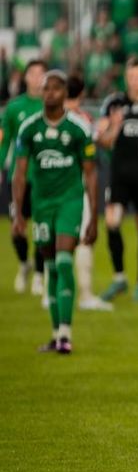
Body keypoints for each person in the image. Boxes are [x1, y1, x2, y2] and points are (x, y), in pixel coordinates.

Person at [11, 69, 98, 353]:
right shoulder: (30, 129)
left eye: (57, 88)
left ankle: (65, 334)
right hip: (42, 204)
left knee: (63, 261)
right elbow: (20, 174)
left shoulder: (77, 128)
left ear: (65, 93)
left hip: (69, 202)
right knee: (49, 266)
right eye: (46, 88)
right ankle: (55, 332)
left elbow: (91, 173)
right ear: (41, 92)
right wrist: (18, 214)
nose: (50, 93)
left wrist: (93, 215)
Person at [96, 58, 138, 303]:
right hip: (120, 175)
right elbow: (102, 140)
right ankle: (119, 278)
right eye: (131, 77)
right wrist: (114, 127)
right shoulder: (115, 103)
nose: (135, 81)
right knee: (112, 222)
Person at [65, 74, 113, 311]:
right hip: (78, 185)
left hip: (51, 187)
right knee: (84, 237)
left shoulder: (48, 117)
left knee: (54, 239)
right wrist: (110, 126)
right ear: (82, 94)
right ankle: (84, 294)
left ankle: (49, 292)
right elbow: (101, 145)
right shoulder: (83, 119)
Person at [1, 59, 46, 296]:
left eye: (41, 73)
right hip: (18, 177)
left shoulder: (52, 106)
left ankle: (39, 275)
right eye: (33, 73)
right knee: (17, 227)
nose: (37, 78)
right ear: (25, 77)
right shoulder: (13, 108)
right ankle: (23, 264)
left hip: (44, 178)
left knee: (41, 228)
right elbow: (4, 140)